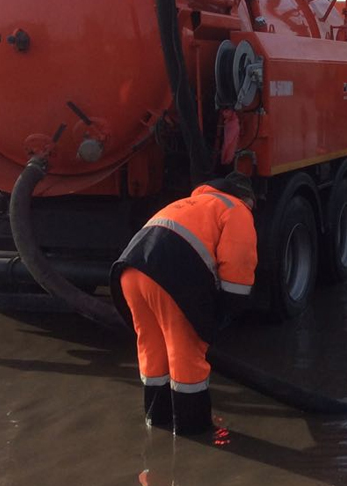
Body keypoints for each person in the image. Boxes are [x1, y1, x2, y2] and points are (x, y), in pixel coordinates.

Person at [111, 172, 258, 436]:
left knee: (153, 348)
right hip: (171, 278)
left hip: (129, 272)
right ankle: (193, 431)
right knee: (186, 353)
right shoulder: (236, 209)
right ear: (245, 197)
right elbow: (238, 265)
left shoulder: (190, 204)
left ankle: (156, 422)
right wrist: (225, 312)